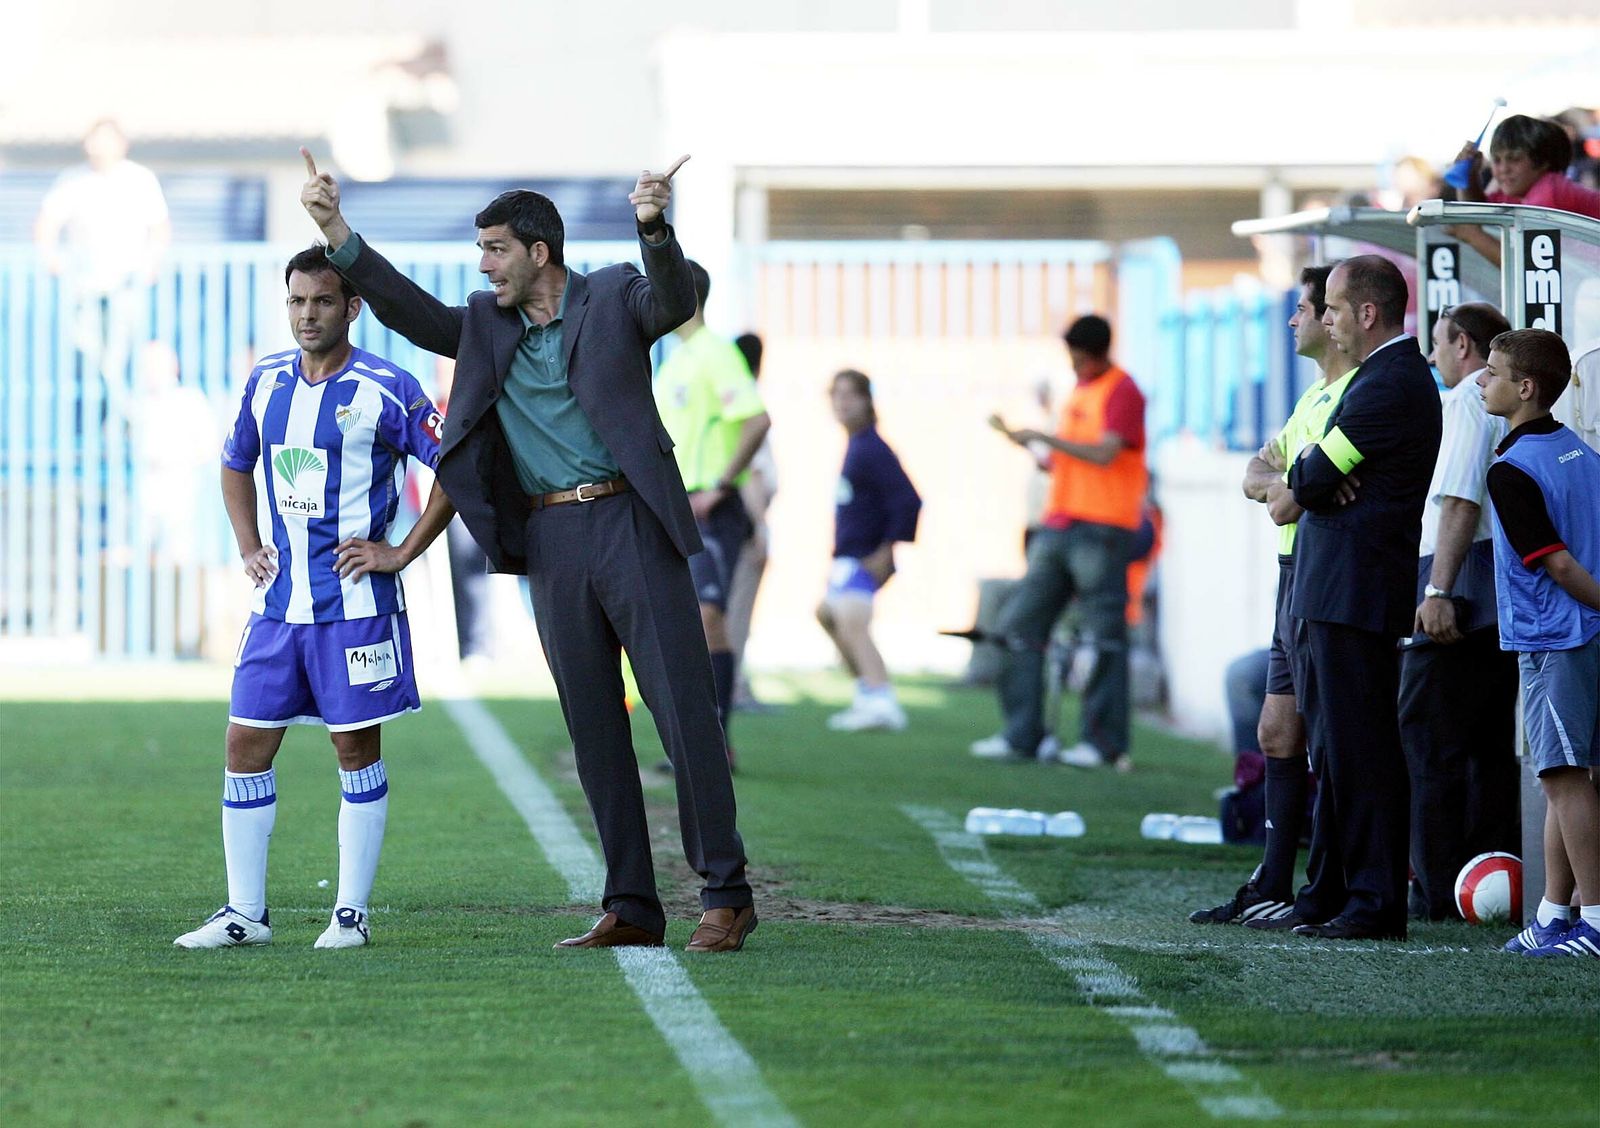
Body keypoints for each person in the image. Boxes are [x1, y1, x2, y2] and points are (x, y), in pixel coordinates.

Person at [300, 149, 758, 953]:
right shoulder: (483, 321)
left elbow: (676, 298)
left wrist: (654, 225)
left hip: (631, 525)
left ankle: (726, 893)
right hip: (549, 539)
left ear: (539, 253)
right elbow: (409, 308)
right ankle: (632, 907)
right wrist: (336, 230)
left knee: (682, 715)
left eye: (496, 249)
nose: (484, 265)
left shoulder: (615, 292)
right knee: (592, 726)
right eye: (481, 251)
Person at [174, 246, 454, 950]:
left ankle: (350, 915)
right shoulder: (266, 381)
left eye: (322, 301)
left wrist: (401, 550)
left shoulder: (389, 388)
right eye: (297, 301)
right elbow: (236, 459)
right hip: (277, 607)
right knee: (244, 742)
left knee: (355, 750)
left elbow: (456, 466)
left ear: (351, 307)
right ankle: (244, 914)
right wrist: (247, 545)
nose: (307, 314)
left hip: (357, 610)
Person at [1283, 255, 1441, 942]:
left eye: (1336, 309)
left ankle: (1375, 901)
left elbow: (1312, 475)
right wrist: (1312, 475)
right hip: (1334, 588)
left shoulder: (1392, 383)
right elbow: (1312, 475)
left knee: (1361, 751)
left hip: (1355, 589)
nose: (1326, 319)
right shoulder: (1377, 379)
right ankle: (1329, 889)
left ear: (1366, 314)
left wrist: (1312, 475)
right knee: (1333, 749)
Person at [1190, 264, 1353, 927]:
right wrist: (1280, 483)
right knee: (1275, 729)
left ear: (1335, 320)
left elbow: (1285, 494)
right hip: (1291, 576)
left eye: (1306, 309)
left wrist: (1282, 485)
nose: (1294, 320)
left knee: (1328, 736)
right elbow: (1258, 475)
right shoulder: (1310, 398)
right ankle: (1271, 880)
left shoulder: (1356, 397)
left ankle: (1325, 887)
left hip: (1322, 575)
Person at [972, 315, 1147, 769]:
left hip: (1103, 527)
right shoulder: (1082, 391)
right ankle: (1022, 735)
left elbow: (1106, 453)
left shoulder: (1122, 390)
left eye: (1077, 356)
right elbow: (1070, 460)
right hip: (1062, 522)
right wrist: (1031, 447)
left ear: (1095, 352)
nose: (1073, 364)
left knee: (1103, 636)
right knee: (1017, 625)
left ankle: (1103, 744)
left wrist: (1045, 436)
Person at [1478, 329, 1600, 959]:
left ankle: (1595, 921)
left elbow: (1554, 564)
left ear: (1524, 389)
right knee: (1564, 774)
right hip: (1584, 637)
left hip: (1557, 637)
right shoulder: (1579, 451)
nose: (1480, 380)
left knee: (1563, 777)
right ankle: (1555, 914)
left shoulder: (1510, 469)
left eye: (1493, 373)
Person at [1399, 302, 1520, 921]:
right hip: (1488, 582)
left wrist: (1439, 591)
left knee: (1429, 736)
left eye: (1440, 343)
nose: (1431, 356)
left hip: (1462, 580)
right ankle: (1485, 878)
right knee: (1483, 744)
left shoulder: (1474, 396)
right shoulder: (1476, 398)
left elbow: (1458, 500)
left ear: (1465, 346)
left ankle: (1440, 888)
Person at [652, 264, 772, 763]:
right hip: (678, 506)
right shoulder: (676, 359)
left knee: (707, 617)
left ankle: (717, 741)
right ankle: (698, 741)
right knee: (685, 622)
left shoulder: (715, 352)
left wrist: (720, 487)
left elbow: (757, 420)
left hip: (710, 508)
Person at [34, 118, 170, 416]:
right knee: (89, 355)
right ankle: (108, 420)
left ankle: (119, 420)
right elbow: (46, 223)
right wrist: (51, 258)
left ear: (121, 144)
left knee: (118, 358)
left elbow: (160, 227)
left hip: (125, 285)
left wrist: (151, 264)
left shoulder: (139, 179)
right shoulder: (72, 180)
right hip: (84, 287)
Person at [816, 368, 923, 732]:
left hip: (864, 554)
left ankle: (881, 700)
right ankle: (867, 690)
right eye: (836, 395)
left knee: (852, 620)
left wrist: (887, 549)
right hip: (847, 554)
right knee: (828, 614)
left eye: (850, 395)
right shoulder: (857, 445)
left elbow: (908, 500)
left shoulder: (872, 448)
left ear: (867, 401)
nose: (842, 403)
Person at [1450, 114, 1600, 264]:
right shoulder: (1521, 192)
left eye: (1514, 159)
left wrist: (1474, 236)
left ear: (1542, 162)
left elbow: (1532, 265)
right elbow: (1480, 212)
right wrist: (1469, 176)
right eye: (1496, 160)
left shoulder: (1548, 192)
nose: (1503, 169)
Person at [726, 332, 778, 714]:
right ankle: (734, 687)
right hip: (742, 522)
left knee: (726, 610)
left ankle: (732, 685)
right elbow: (754, 476)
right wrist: (760, 528)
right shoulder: (746, 407)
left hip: (732, 521)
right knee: (736, 612)